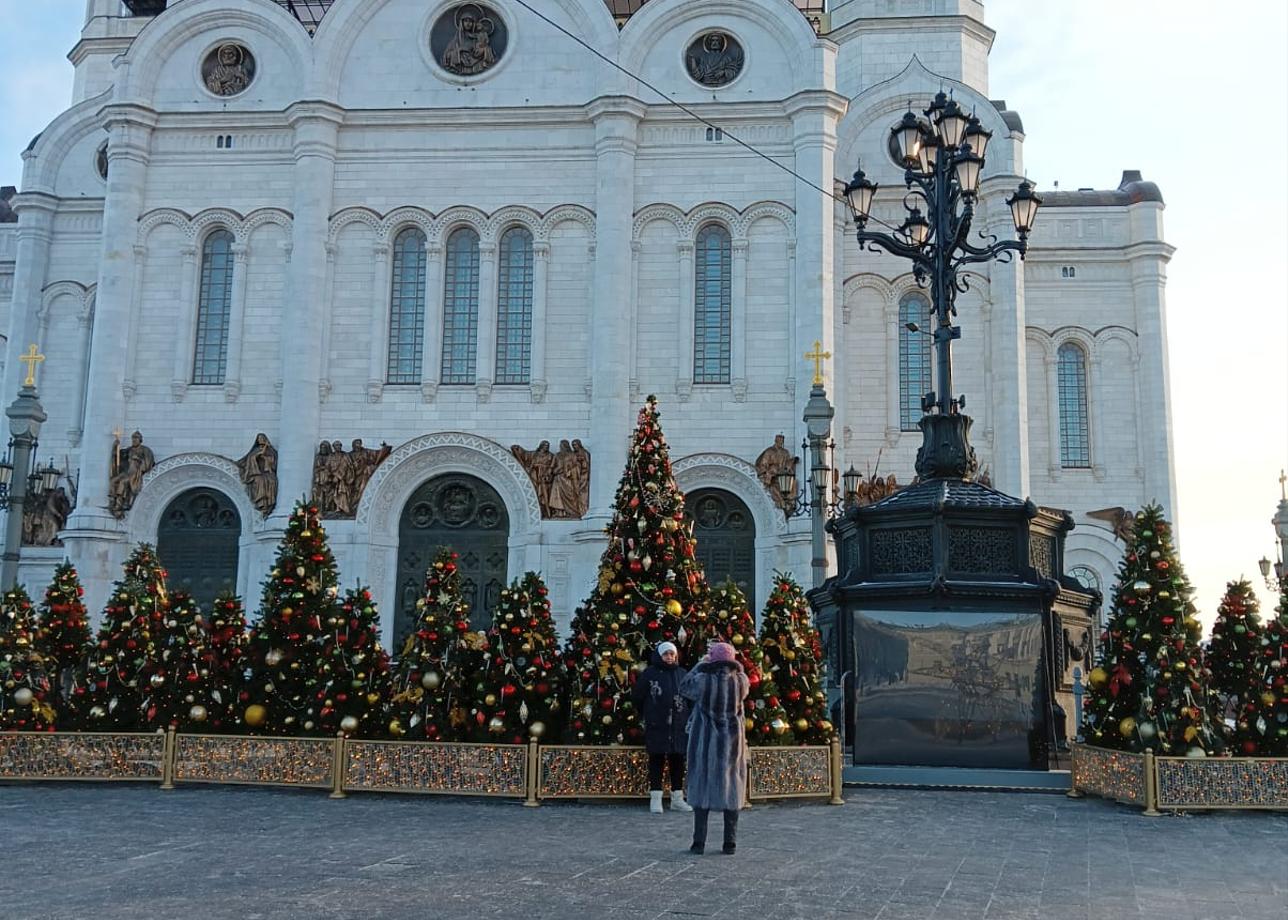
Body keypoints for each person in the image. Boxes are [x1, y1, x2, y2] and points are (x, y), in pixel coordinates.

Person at [679, 642, 749, 855]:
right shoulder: (741, 682)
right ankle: (730, 843)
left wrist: (701, 664)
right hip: (731, 742)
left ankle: (698, 842)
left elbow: (683, 687)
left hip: (705, 741)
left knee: (702, 790)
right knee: (732, 789)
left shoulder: (702, 681)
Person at [631, 641, 692, 815]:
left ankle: (677, 798)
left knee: (677, 761)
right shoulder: (650, 674)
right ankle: (656, 798)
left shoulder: (682, 674)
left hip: (678, 726)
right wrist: (648, 714)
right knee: (656, 760)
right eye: (666, 654)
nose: (669, 657)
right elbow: (638, 696)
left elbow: (690, 697)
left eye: (672, 654)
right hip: (657, 724)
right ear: (660, 655)